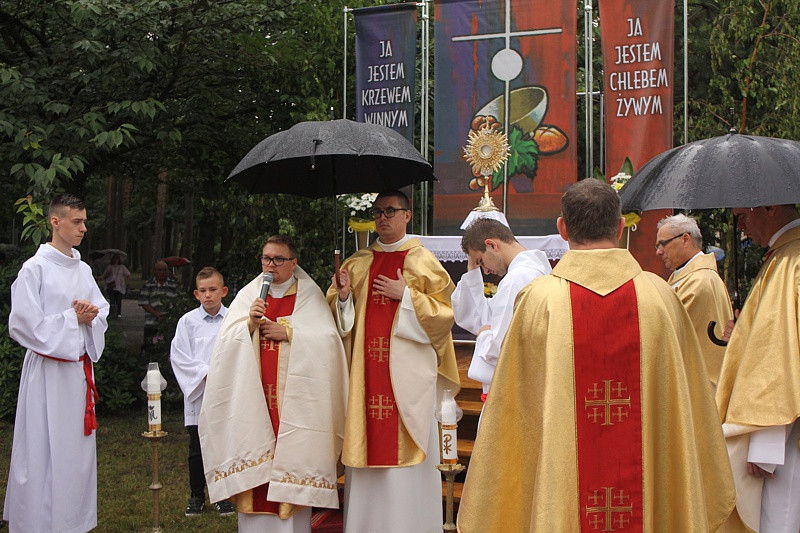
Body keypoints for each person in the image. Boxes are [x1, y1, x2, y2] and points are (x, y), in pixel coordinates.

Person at [457, 179, 735, 532]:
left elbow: (514, 412)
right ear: (620, 227)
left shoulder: (539, 301)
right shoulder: (660, 297)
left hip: (564, 497)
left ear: (562, 229)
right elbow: (689, 405)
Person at [327, 190, 460, 533]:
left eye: (390, 211)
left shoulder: (423, 261)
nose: (383, 218)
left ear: (407, 216)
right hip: (366, 378)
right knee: (368, 448)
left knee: (410, 460)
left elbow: (444, 317)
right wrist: (343, 298)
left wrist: (407, 298)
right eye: (378, 212)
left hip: (409, 381)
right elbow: (339, 325)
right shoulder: (357, 263)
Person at [199, 235, 348, 533]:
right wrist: (249, 326)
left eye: (279, 259)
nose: (271, 265)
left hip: (294, 408)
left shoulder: (309, 295)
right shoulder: (249, 294)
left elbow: (330, 341)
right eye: (266, 258)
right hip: (255, 403)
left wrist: (289, 332)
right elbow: (225, 346)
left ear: (294, 262)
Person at [4, 193, 109, 532]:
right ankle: (37, 522)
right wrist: (71, 319)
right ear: (55, 222)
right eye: (76, 221)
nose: (83, 228)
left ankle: (72, 521)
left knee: (73, 453)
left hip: (76, 373)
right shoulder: (34, 269)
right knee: (41, 448)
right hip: (47, 373)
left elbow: (101, 309)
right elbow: (22, 322)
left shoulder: (83, 269)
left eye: (84, 221)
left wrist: (91, 317)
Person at [715, 205, 800, 532]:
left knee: (780, 519)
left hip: (782, 431)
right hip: (783, 428)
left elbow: (779, 353)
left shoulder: (791, 261)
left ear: (767, 207)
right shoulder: (783, 257)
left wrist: (766, 444)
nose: (742, 227)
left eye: (742, 216)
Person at [452, 217, 551, 407]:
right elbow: (482, 316)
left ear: (491, 245)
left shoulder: (516, 279)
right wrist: (472, 268)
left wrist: (484, 335)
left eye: (481, 261)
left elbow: (500, 348)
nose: (486, 271)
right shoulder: (535, 269)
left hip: (514, 390)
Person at [169, 266, 235, 517]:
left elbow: (239, 349)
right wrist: (206, 373)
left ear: (224, 291)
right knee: (197, 449)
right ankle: (197, 495)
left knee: (223, 446)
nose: (208, 295)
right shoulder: (188, 322)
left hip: (226, 391)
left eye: (213, 290)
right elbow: (179, 357)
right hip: (200, 393)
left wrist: (223, 374)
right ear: (196, 294)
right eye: (203, 291)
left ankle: (223, 495)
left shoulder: (233, 319)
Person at [655, 214, 733, 385]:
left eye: (663, 244)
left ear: (685, 239)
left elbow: (668, 333)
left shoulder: (700, 282)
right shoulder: (687, 276)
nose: (659, 251)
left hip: (699, 383)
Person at [139, 259, 178, 346]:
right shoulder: (148, 284)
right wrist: (157, 314)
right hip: (151, 323)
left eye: (164, 270)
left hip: (168, 325)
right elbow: (144, 303)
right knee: (149, 348)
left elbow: (177, 302)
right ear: (154, 271)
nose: (162, 272)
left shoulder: (173, 285)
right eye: (159, 270)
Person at [102, 253, 131, 319]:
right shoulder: (109, 267)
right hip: (111, 285)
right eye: (114, 258)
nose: (115, 260)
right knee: (112, 300)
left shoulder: (122, 267)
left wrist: (128, 284)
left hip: (119, 286)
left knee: (118, 300)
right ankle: (112, 313)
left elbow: (128, 274)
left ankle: (118, 313)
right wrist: (108, 274)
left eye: (117, 259)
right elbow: (104, 276)